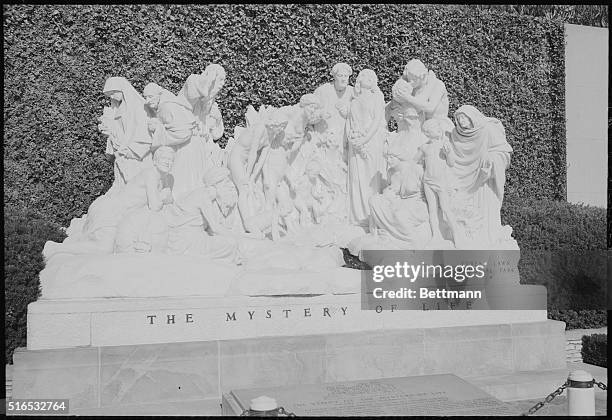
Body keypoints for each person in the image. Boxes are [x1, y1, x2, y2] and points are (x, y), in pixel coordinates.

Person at [43, 147, 176, 259]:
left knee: (99, 245)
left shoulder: (161, 180)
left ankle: (66, 246)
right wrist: (164, 196)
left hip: (119, 215)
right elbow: (154, 206)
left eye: (171, 160)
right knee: (104, 249)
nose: (167, 162)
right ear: (155, 160)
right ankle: (56, 249)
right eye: (164, 159)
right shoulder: (151, 175)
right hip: (111, 210)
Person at [448, 104, 513, 245]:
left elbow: (504, 153)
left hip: (485, 181)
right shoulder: (456, 135)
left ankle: (489, 242)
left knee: (485, 214)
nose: (461, 122)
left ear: (472, 117)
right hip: (463, 181)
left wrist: (491, 160)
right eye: (458, 120)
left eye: (464, 118)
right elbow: (452, 159)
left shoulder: (488, 130)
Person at [143, 82, 201, 201]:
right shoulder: (166, 106)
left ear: (159, 95)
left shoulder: (166, 107)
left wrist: (158, 129)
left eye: (150, 97)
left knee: (183, 184)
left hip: (185, 149)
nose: (147, 101)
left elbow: (183, 132)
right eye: (145, 97)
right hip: (186, 147)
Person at [98, 76, 153, 194]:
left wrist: (132, 149)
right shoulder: (118, 108)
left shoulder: (138, 107)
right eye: (110, 94)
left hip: (135, 152)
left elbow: (143, 130)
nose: (112, 97)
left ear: (122, 89)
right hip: (122, 150)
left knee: (136, 184)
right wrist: (108, 129)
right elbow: (119, 130)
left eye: (113, 93)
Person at [346, 69, 387, 227]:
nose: (369, 78)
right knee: (356, 179)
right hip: (355, 143)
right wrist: (351, 138)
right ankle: (357, 217)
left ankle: (372, 216)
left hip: (371, 141)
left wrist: (364, 139)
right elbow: (349, 123)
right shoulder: (354, 100)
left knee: (370, 179)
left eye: (372, 77)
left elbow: (377, 120)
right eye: (365, 76)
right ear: (359, 81)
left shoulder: (377, 97)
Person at [414, 119, 462, 244]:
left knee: (446, 208)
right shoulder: (424, 147)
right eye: (436, 129)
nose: (439, 130)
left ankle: (456, 235)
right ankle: (436, 235)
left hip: (441, 183)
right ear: (428, 133)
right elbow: (414, 162)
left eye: (438, 128)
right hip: (428, 182)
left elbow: (451, 163)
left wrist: (449, 153)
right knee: (432, 209)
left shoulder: (444, 145)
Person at [387, 59, 454, 137]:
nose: (410, 82)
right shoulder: (413, 84)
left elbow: (430, 107)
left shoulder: (437, 85)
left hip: (435, 126)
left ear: (422, 76)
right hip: (417, 126)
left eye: (412, 79)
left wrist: (407, 97)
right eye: (409, 78)